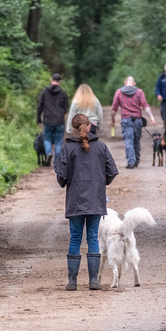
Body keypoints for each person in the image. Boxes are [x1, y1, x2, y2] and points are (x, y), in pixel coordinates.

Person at [55, 113, 118, 291]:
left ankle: (72, 282)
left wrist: (65, 182)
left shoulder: (67, 148)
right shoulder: (101, 147)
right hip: (95, 200)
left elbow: (61, 176)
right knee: (93, 238)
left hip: (75, 200)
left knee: (75, 238)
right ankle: (93, 281)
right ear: (89, 126)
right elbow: (112, 171)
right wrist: (101, 182)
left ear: (73, 129)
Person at [111, 76, 156, 169]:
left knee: (129, 141)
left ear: (125, 82)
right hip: (137, 120)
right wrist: (151, 117)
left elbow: (114, 108)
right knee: (136, 140)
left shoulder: (119, 92)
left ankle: (131, 162)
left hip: (126, 120)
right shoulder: (139, 92)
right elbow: (145, 105)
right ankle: (136, 160)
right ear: (134, 83)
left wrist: (113, 119)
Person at [36, 72, 69, 166]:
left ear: (51, 80)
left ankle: (49, 152)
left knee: (47, 139)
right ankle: (56, 161)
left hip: (47, 120)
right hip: (59, 121)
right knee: (59, 141)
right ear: (60, 82)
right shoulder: (63, 93)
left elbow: (40, 106)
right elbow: (66, 108)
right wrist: (62, 114)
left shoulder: (45, 92)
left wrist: (38, 118)